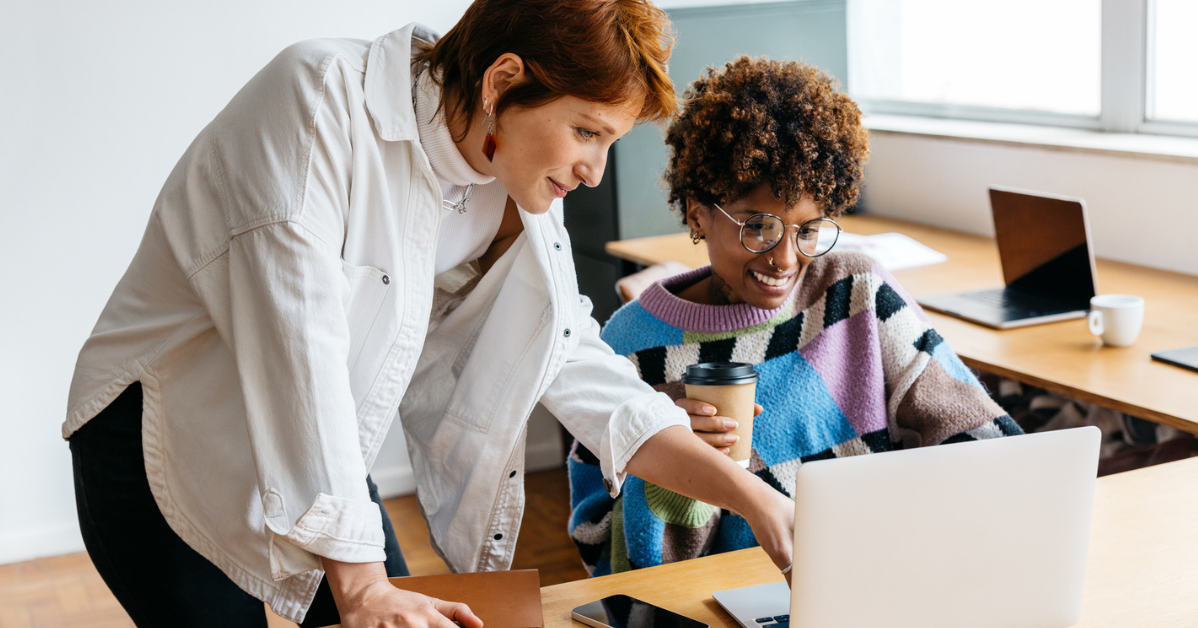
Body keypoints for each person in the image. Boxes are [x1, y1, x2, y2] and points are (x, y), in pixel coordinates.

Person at [63, 4, 798, 627]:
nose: (595, 170)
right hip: (163, 440)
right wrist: (361, 587)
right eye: (587, 132)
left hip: (322, 442)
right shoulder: (314, 100)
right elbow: (300, 343)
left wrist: (752, 497)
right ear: (503, 80)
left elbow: (567, 357)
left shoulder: (511, 180)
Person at [567, 56, 1023, 576]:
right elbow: (596, 542)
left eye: (808, 229)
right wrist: (670, 464)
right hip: (721, 601)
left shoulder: (856, 292)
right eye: (758, 227)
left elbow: (984, 436)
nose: (785, 258)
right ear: (697, 211)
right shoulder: (631, 343)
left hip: (873, 574)